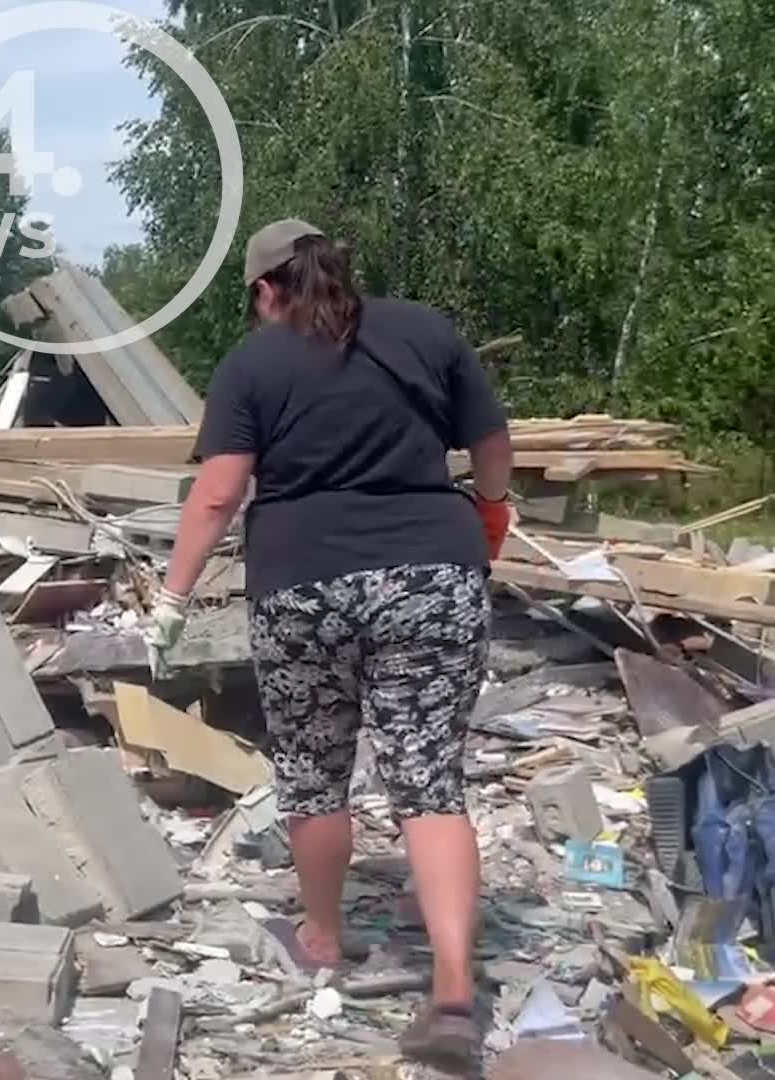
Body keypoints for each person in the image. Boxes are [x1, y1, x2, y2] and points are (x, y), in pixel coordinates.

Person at [147, 220, 515, 1072]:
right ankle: (454, 993)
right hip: (433, 573)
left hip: (302, 584)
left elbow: (216, 497)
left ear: (265, 291)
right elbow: (492, 450)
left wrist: (172, 599)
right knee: (429, 781)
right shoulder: (424, 331)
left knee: (315, 773)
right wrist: (489, 515)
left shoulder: (253, 363)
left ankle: (321, 937)